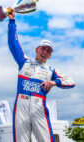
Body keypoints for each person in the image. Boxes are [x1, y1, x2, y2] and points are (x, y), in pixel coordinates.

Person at [7, 8, 75, 142]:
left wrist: (54, 82)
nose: (45, 52)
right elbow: (13, 43)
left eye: (48, 51)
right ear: (37, 49)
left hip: (39, 107)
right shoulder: (24, 61)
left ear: (50, 55)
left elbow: (71, 81)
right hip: (21, 106)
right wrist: (12, 21)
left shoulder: (51, 70)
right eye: (43, 48)